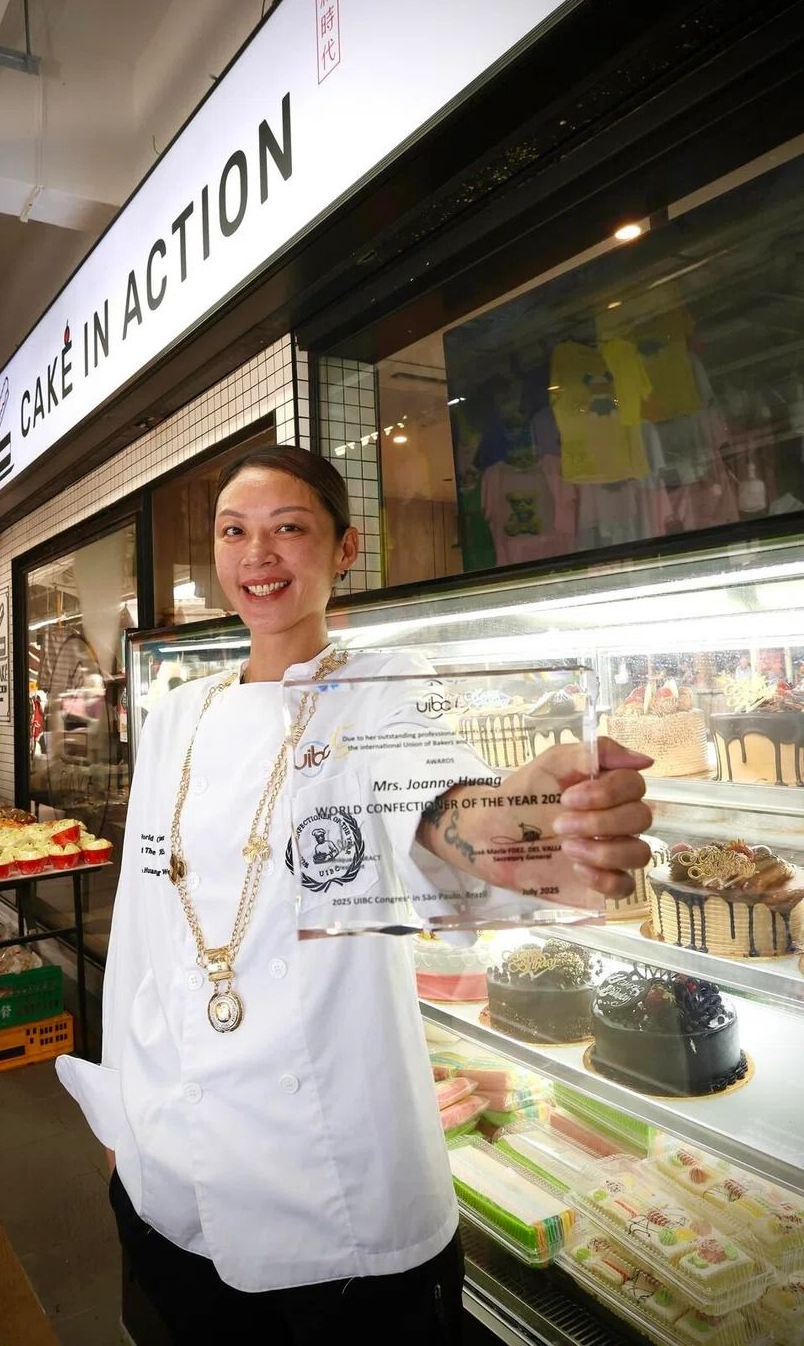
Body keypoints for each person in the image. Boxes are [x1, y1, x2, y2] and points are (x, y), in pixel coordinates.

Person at [56, 445, 651, 1344]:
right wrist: (121, 1110)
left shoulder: (381, 691)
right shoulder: (178, 712)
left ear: (344, 550)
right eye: (234, 532)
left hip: (332, 1195)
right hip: (162, 1171)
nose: (259, 555)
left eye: (288, 530)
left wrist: (525, 823)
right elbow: (142, 934)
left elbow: (441, 812)